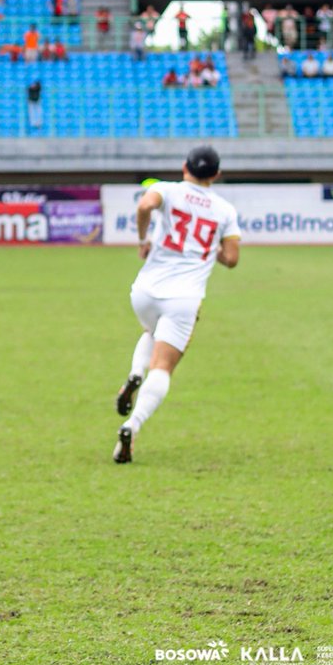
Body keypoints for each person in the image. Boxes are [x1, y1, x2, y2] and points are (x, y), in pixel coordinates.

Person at [113, 146, 241, 463]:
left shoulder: (166, 190)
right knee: (164, 366)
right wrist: (212, 249)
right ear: (216, 174)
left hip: (144, 291)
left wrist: (144, 239)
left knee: (152, 331)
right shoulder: (225, 210)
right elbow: (232, 259)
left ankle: (133, 373)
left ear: (184, 167)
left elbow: (145, 205)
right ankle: (132, 425)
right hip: (183, 298)